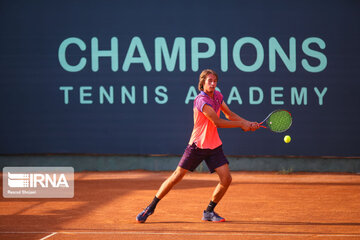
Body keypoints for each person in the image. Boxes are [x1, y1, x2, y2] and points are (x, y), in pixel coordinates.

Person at [136, 69, 260, 223]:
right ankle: (150, 207)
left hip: (214, 146)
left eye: (215, 81)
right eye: (210, 81)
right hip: (197, 146)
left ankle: (209, 211)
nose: (213, 84)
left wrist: (247, 123)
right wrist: (241, 124)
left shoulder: (217, 96)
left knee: (226, 178)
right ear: (202, 83)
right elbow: (217, 122)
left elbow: (229, 114)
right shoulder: (201, 100)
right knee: (176, 177)